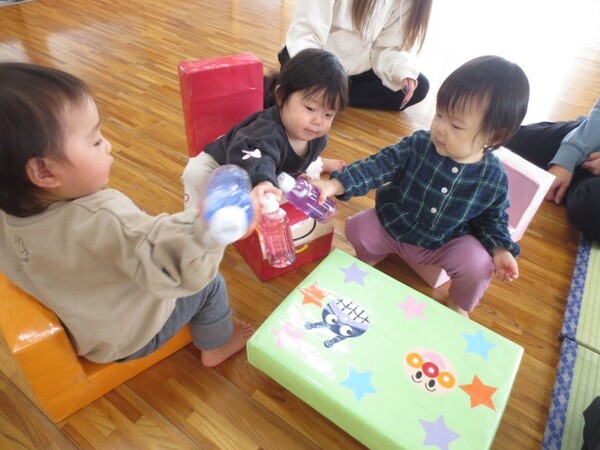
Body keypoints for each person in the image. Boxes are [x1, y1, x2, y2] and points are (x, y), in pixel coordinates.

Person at [0, 62, 253, 367]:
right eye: (95, 140)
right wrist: (207, 228)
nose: (108, 145)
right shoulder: (104, 217)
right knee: (211, 284)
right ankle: (217, 345)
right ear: (43, 171)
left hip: (87, 329)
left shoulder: (9, 210)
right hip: (131, 337)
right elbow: (173, 261)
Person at [311, 55, 530, 317]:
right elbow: (378, 166)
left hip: (445, 242)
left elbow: (493, 219)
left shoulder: (492, 176)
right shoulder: (418, 144)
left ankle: (459, 302)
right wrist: (336, 184)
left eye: (456, 125)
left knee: (479, 265)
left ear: (494, 135)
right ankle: (372, 257)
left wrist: (501, 249)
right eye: (439, 115)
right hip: (394, 224)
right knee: (358, 227)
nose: (440, 128)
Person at [182, 48, 349, 211]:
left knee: (285, 190)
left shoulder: (316, 136)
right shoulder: (266, 133)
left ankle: (318, 164)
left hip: (268, 171)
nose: (318, 121)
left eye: (328, 114)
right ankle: (196, 222)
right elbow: (257, 160)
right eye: (310, 108)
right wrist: (264, 182)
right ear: (281, 96)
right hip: (226, 162)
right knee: (196, 174)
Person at [275, 0, 432, 111]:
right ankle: (328, 93)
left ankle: (329, 94)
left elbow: (384, 49)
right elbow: (305, 34)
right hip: (315, 59)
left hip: (354, 73)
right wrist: (318, 74)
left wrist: (402, 71)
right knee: (296, 63)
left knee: (418, 86)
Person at [505, 97, 600, 243]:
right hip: (591, 138)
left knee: (589, 205)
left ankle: (576, 186)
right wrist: (566, 159)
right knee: (503, 143)